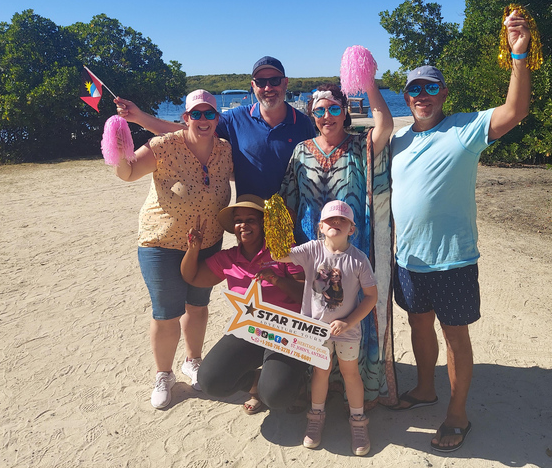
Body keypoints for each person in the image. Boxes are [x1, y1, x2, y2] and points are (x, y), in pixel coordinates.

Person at [388, 12, 532, 453]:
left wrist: (519, 55)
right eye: (414, 89)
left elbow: (515, 110)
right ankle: (425, 390)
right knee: (418, 327)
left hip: (452, 258)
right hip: (408, 259)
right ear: (407, 96)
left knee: (455, 337)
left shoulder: (465, 129)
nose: (422, 95)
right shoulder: (397, 139)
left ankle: (457, 413)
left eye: (431, 87)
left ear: (444, 93)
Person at [278, 81, 397, 408]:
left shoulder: (361, 145)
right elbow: (289, 199)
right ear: (311, 114)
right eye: (319, 110)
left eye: (333, 108)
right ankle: (319, 384)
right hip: (312, 247)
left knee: (352, 312)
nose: (327, 116)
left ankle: (357, 386)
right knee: (315, 311)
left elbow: (385, 124)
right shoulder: (301, 150)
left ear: (345, 110)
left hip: (353, 248)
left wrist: (368, 80)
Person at [113, 90, 233, 409]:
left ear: (217, 119)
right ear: (185, 118)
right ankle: (163, 374)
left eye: (210, 114)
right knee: (167, 313)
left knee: (197, 305)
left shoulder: (225, 150)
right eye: (197, 114)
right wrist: (120, 149)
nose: (203, 120)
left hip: (208, 243)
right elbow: (128, 173)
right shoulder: (163, 145)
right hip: (162, 243)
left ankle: (193, 362)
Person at [115, 56, 316, 198]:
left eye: (274, 81)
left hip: (293, 214)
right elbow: (192, 132)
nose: (268, 88)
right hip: (249, 219)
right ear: (253, 86)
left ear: (286, 83)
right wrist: (139, 117)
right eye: (261, 82)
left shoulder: (304, 123)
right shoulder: (237, 118)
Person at [180, 195, 307, 414]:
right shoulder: (228, 258)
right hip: (250, 328)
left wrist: (276, 279)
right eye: (239, 220)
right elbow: (193, 277)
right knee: (210, 380)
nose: (243, 225)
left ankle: (297, 383)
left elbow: (306, 295)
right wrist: (193, 249)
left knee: (276, 395)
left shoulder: (284, 250)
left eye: (251, 220)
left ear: (263, 224)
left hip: (287, 329)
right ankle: (257, 383)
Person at [276, 200, 378, 456]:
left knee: (350, 373)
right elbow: (279, 254)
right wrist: (275, 223)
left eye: (342, 220)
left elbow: (371, 297)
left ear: (352, 229)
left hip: (348, 332)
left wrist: (348, 322)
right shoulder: (311, 250)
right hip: (314, 330)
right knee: (320, 372)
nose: (336, 223)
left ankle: (358, 421)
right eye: (330, 220)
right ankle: (316, 416)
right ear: (320, 226)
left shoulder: (359, 260)